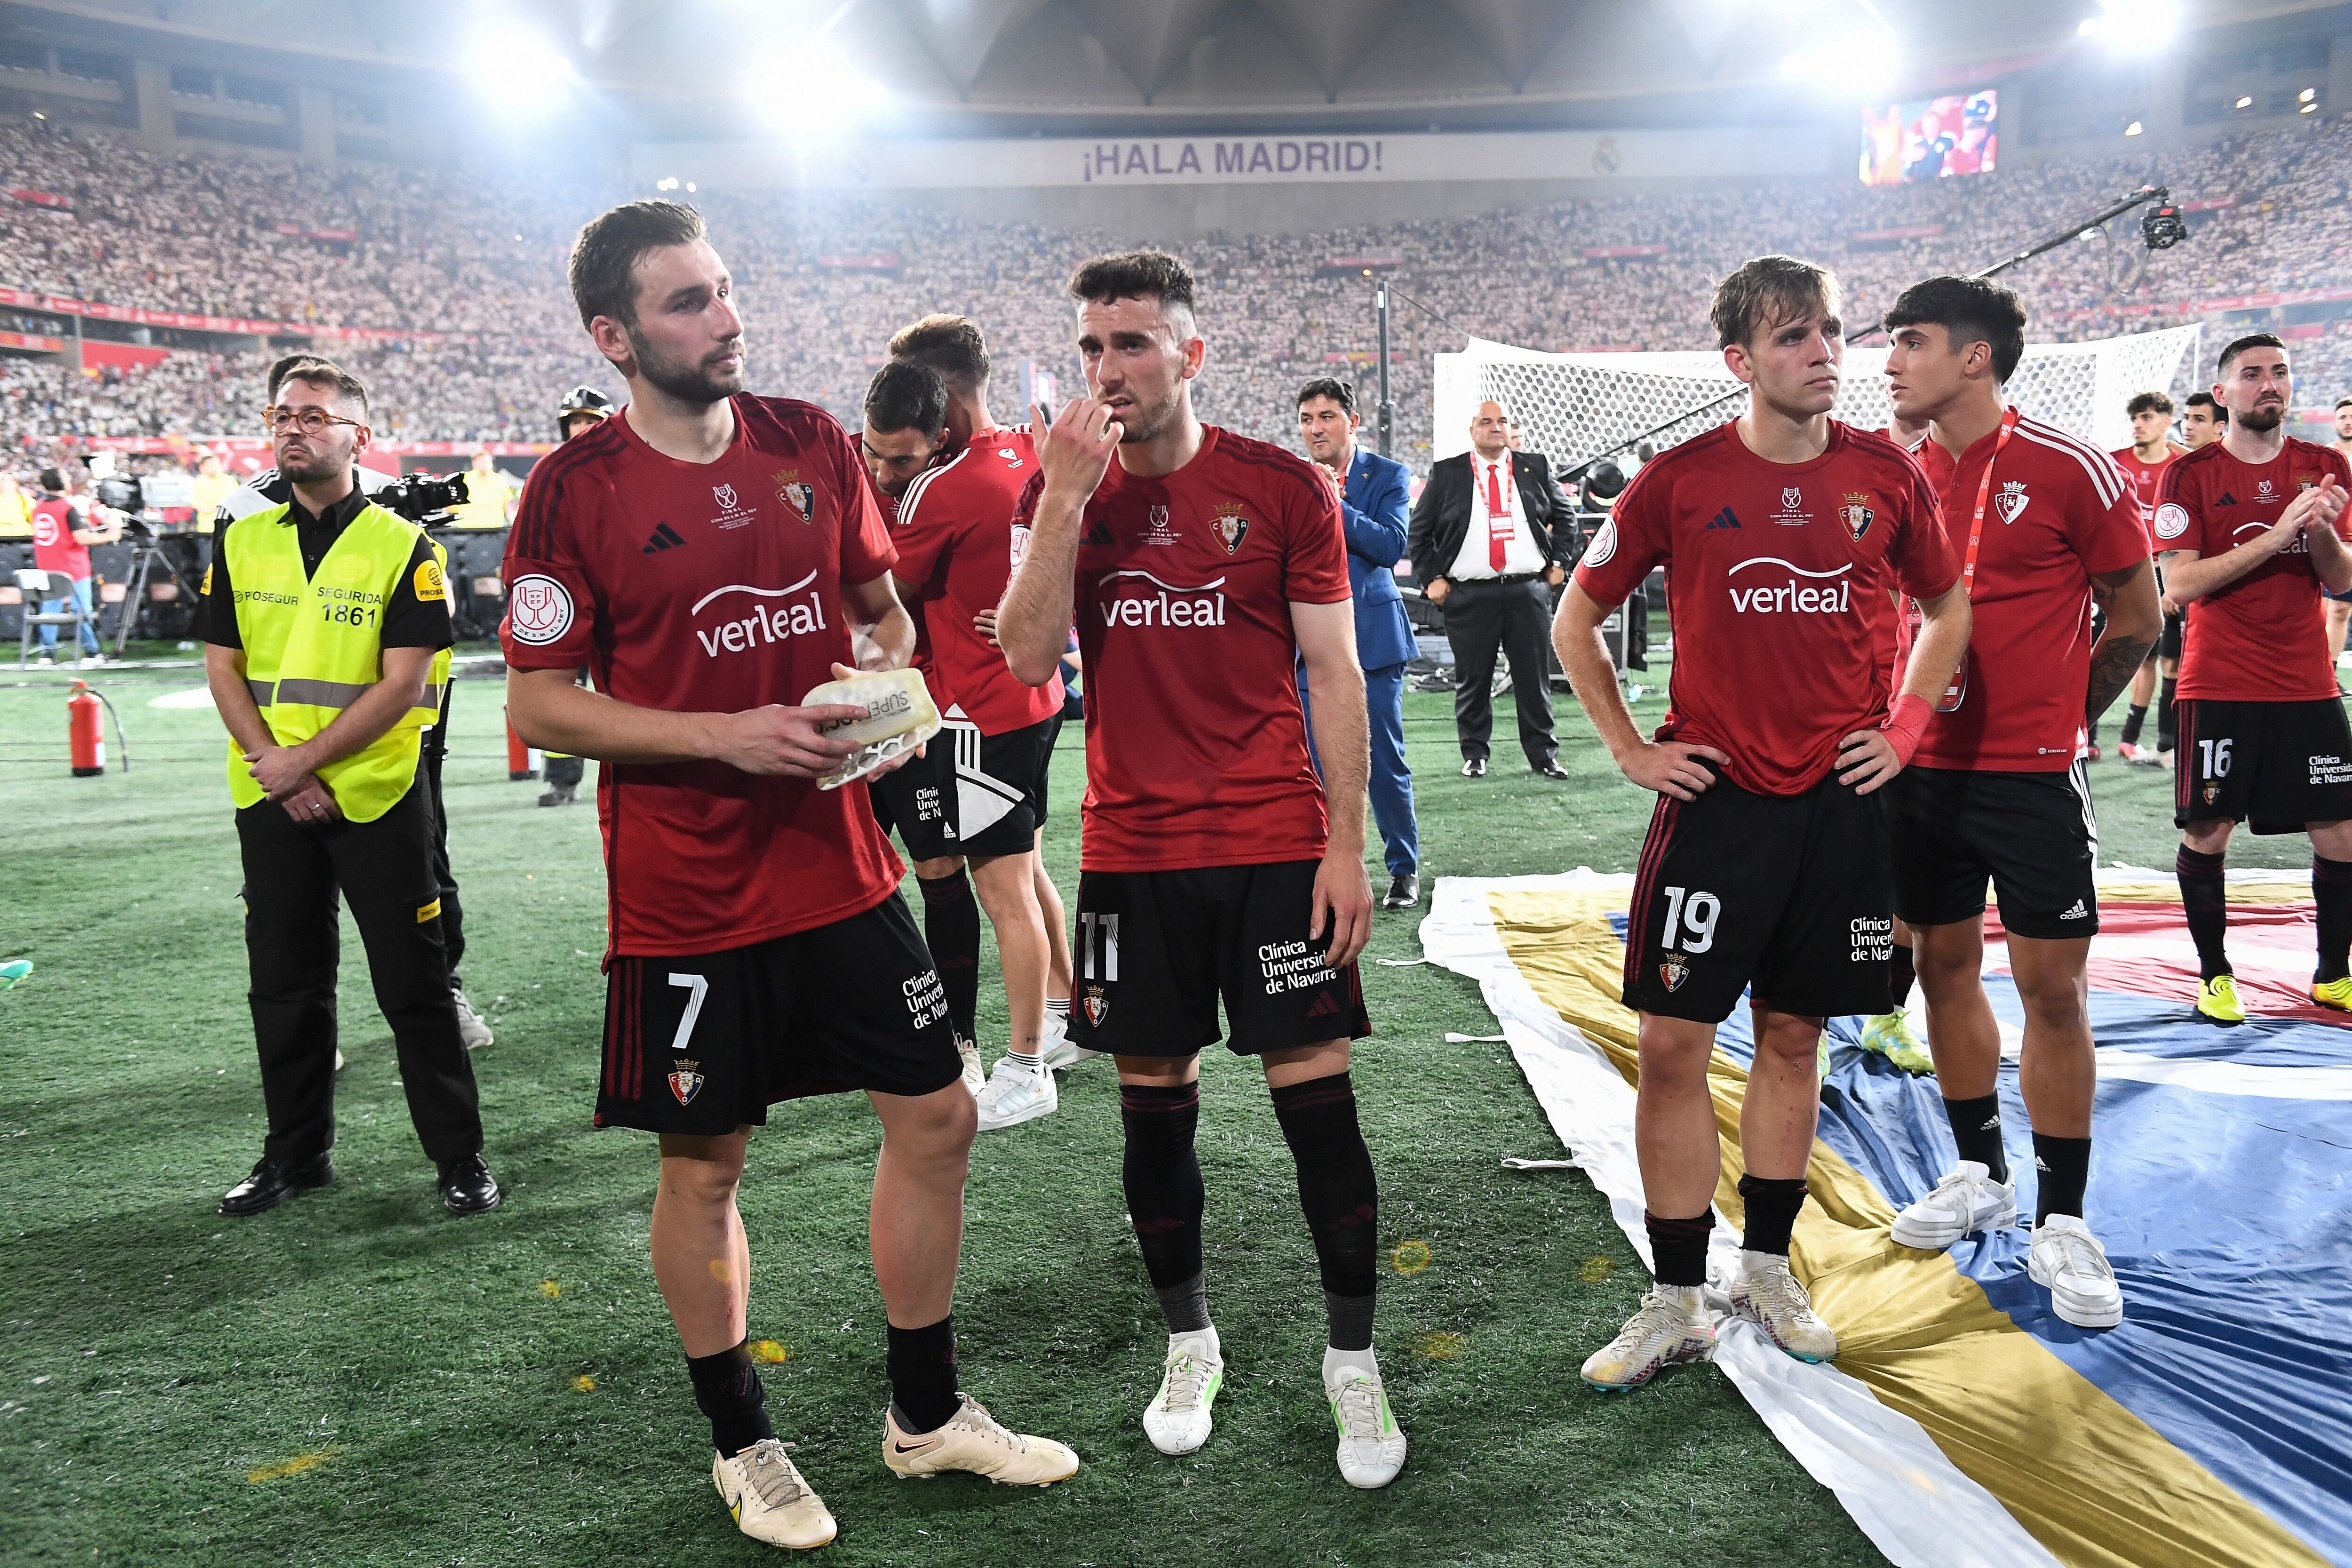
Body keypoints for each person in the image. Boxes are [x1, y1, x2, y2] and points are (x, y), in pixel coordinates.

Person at [501, 200, 1075, 1552]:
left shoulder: (811, 441)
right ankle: (744, 1441)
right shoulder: (572, 490)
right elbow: (539, 701)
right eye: (689, 301)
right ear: (615, 336)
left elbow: (883, 615)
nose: (727, 317)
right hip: (688, 896)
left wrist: (883, 693)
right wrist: (725, 736)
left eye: (724, 288)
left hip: (844, 867)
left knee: (937, 1119)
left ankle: (925, 1413)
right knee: (706, 1170)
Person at [995, 249, 1404, 1489]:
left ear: (1191, 352)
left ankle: (1353, 1360)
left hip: (1278, 846)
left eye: (1132, 342)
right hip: (1134, 854)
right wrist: (1063, 504)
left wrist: (1347, 843)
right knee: (1153, 1105)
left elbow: (1333, 670)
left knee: (1319, 1111)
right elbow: (1025, 656)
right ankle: (1190, 1343)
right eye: (1092, 347)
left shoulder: (1278, 486)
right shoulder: (1062, 488)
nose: (1108, 368)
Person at [1551, 254, 1970, 1390]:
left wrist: (1906, 728)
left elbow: (1947, 607)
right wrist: (1631, 748)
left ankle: (1768, 1269)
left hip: (1841, 806)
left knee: (1795, 1036)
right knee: (1671, 1043)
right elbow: (1574, 621)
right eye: (1793, 336)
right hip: (1718, 803)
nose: (1823, 352)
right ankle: (1675, 1296)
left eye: (1830, 330)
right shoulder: (1677, 481)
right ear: (1739, 360)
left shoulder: (1885, 473)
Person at [1880, 276, 2160, 1330]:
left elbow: (2139, 614)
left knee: (2052, 989)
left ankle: (2065, 1218)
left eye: (1911, 342)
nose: (1891, 362)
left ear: (1975, 357)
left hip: (2034, 774)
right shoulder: (1893, 472)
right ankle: (1979, 1171)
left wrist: (2064, 716)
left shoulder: (2069, 467)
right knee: (1939, 966)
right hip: (1920, 769)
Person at [199, 355, 497, 1219]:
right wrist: (276, 765)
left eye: (315, 415)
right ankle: (295, 1156)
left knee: (416, 986)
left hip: (375, 793)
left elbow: (404, 685)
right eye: (282, 415)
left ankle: (458, 1156)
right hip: (272, 795)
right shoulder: (241, 537)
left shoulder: (406, 546)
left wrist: (303, 763)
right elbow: (223, 669)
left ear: (359, 436)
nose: (294, 428)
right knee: (284, 987)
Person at [881, 313, 1077, 1131]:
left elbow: (883, 589)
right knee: (1029, 871)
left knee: (1003, 889)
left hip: (979, 713)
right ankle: (1067, 1015)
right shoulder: (1030, 450)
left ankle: (1026, 1067)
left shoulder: (943, 487)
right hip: (1039, 698)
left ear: (939, 396)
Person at [2155, 333, 2352, 1026]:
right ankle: (2214, 975)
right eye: (2251, 374)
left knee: (2341, 832)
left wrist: (2318, 529)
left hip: (2306, 683)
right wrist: (2276, 534)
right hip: (2218, 683)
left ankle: (2333, 974)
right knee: (2208, 831)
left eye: (2280, 372)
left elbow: (2342, 580)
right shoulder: (2189, 474)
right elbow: (2179, 585)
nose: (2269, 383)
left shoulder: (2324, 467)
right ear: (2222, 393)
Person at [853, 359, 987, 1093]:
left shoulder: (954, 488)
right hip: (846, 703)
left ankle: (961, 1037)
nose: (882, 471)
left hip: (926, 708)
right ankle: (852, 1028)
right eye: (873, 451)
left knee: (940, 873)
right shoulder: (838, 472)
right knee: (845, 875)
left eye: (900, 460)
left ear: (938, 440)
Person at [1297, 376, 1420, 909]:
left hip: (1372, 638)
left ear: (1353, 421)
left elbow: (1390, 547)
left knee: (1383, 759)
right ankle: (1325, 866)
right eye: (1306, 419)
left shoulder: (1388, 475)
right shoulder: (1291, 478)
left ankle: (1403, 868)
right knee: (1312, 762)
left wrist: (1330, 500)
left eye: (1326, 417)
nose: (1315, 429)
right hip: (1308, 643)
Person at [1406, 399, 1575, 780]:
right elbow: (1419, 531)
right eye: (1486, 421)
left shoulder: (1535, 467)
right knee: (1474, 678)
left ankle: (1544, 755)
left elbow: (1566, 518)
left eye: (1502, 421)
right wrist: (1432, 578)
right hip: (1469, 593)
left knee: (1534, 678)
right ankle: (1475, 753)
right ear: (1473, 431)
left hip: (1527, 590)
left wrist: (1560, 563)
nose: (1496, 427)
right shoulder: (1448, 472)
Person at [537, 386, 618, 809]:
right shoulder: (552, 476)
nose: (582, 429)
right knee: (561, 695)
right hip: (570, 603)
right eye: (576, 422)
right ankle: (563, 782)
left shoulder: (632, 473)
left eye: (590, 421)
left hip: (622, 603)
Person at [2113, 391, 2188, 764]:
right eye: (2135, 418)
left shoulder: (2180, 467)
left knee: (2168, 662)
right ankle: (2121, 738)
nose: (2138, 425)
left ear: (2166, 422)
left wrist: (2172, 583)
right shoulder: (2115, 462)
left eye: (2146, 417)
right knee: (2133, 655)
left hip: (2168, 571)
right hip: (2126, 572)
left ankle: (2162, 741)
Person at [28, 466, 119, 665]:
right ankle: (92, 652)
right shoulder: (67, 508)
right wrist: (111, 535)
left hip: (48, 568)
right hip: (73, 569)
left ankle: (47, 653)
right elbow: (82, 538)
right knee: (82, 610)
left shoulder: (38, 507)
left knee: (50, 611)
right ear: (61, 482)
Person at [2327, 394, 2352, 680]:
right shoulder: (2326, 458)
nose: (2348, 422)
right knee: (2327, 610)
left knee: (2341, 610)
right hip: (2332, 542)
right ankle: (2324, 673)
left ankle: (2329, 676)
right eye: (2343, 417)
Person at [450, 448, 515, 531]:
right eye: (482, 462)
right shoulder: (464, 479)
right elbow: (453, 506)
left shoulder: (500, 481)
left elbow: (508, 506)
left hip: (494, 529)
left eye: (489, 462)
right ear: (474, 463)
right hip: (467, 529)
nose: (486, 465)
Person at [189, 450, 236, 540]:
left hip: (227, 528)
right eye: (211, 465)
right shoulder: (199, 482)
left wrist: (214, 507)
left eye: (217, 464)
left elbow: (233, 503)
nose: (215, 468)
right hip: (206, 530)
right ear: (202, 467)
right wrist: (220, 507)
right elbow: (201, 507)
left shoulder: (229, 480)